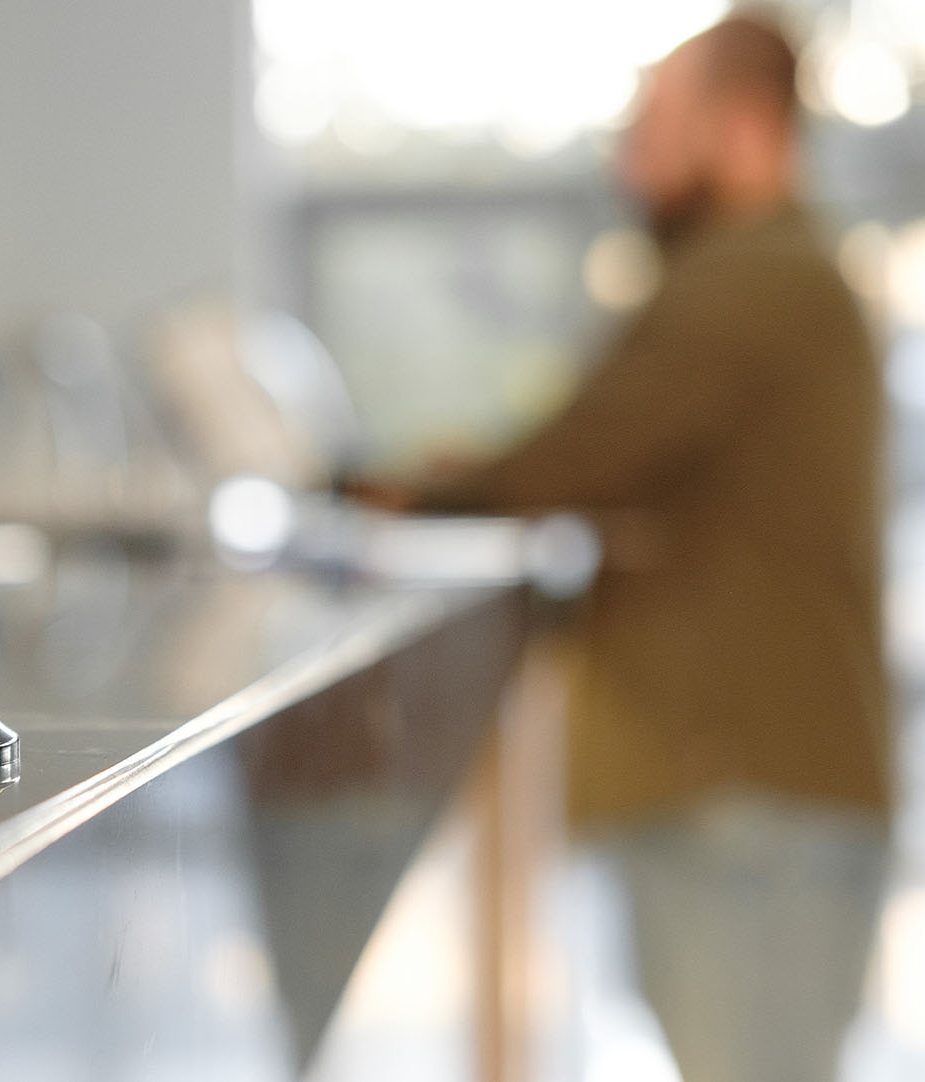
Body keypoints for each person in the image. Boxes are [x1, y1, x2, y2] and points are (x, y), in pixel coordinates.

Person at [355, 16, 889, 1082]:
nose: (626, 160)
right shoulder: (759, 274)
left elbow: (573, 455)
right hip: (742, 798)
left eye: (654, 126)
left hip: (750, 800)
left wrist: (394, 487)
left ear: (742, 129)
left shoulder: (753, 277)